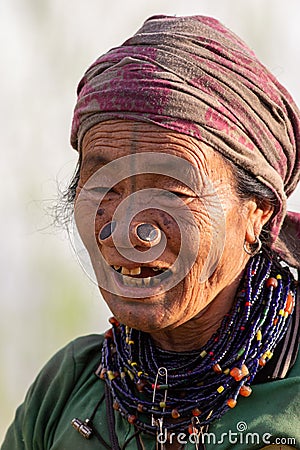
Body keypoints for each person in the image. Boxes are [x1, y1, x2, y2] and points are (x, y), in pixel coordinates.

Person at [2, 14, 300, 450]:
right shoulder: (66, 391)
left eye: (172, 192)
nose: (126, 231)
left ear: (258, 213)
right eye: (103, 186)